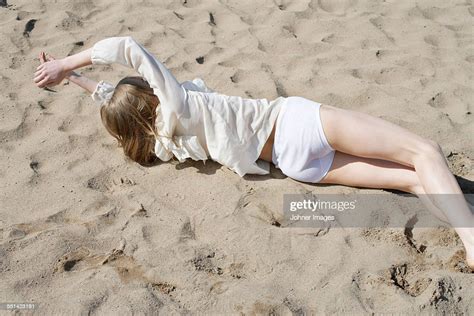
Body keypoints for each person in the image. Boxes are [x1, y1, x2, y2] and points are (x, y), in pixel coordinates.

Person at [33, 36, 473, 269]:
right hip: (297, 125)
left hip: (297, 166)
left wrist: (78, 84)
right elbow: (128, 46)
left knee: (414, 178)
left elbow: (116, 102)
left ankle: (462, 226)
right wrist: (69, 64)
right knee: (423, 150)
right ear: (152, 95)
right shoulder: (179, 104)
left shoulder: (165, 142)